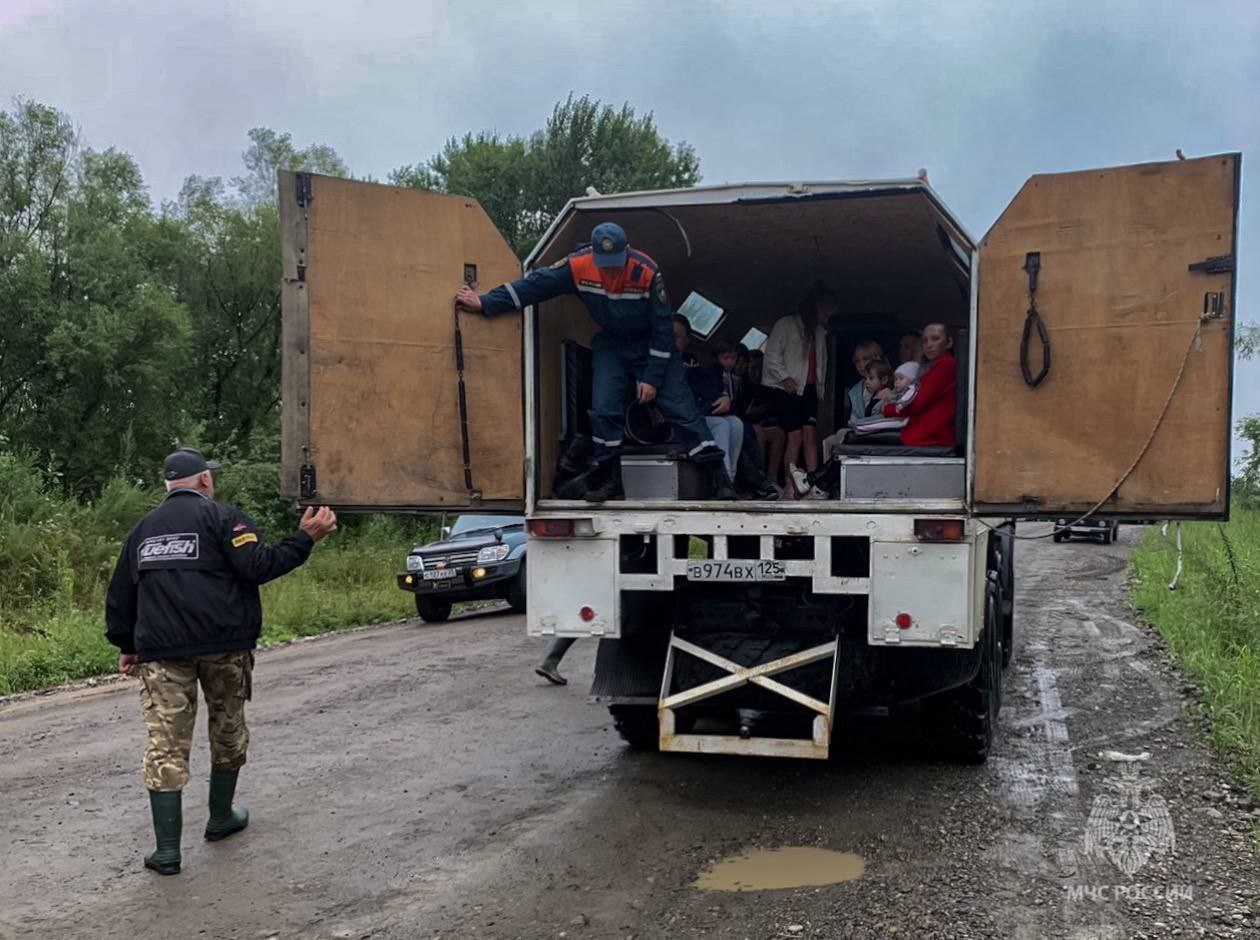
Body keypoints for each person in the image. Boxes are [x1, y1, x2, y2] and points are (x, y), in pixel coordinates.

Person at [105, 448, 338, 876]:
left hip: (161, 652)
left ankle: (168, 852)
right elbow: (257, 566)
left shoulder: (141, 531)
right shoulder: (225, 518)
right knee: (227, 726)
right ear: (206, 482)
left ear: (167, 486)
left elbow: (121, 596)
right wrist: (305, 538)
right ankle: (220, 818)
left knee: (165, 744)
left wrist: (126, 644)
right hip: (224, 646)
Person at [458, 223, 732, 502]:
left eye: (615, 264)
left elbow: (664, 329)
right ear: (594, 255)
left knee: (681, 409)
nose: (610, 271)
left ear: (628, 251)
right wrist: (486, 302)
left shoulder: (646, 271)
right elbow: (536, 285)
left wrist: (652, 377)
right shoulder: (578, 266)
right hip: (612, 344)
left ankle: (720, 481)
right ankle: (612, 482)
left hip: (651, 344)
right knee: (603, 409)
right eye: (605, 265)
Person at [763, 284, 838, 496]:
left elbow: (821, 363)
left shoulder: (820, 332)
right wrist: (784, 378)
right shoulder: (786, 324)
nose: (827, 317)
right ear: (816, 307)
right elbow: (771, 356)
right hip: (789, 389)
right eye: (826, 312)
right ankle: (789, 485)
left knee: (810, 437)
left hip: (810, 389)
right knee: (794, 437)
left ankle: (815, 485)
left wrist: (821, 391)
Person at [881, 322, 957, 447]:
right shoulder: (935, 367)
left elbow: (916, 404)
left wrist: (887, 409)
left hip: (931, 437)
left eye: (935, 339)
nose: (929, 345)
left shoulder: (946, 366)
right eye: (924, 341)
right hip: (927, 435)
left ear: (949, 342)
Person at [744, 350, 785, 483]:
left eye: (760, 369)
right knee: (758, 432)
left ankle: (772, 479)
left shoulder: (767, 388)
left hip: (762, 425)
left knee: (778, 434)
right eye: (753, 369)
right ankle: (758, 478)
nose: (757, 373)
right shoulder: (742, 384)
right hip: (744, 426)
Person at [844, 340, 886, 427]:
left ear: (877, 359)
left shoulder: (889, 383)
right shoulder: (854, 391)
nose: (861, 364)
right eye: (857, 361)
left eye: (865, 359)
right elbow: (854, 418)